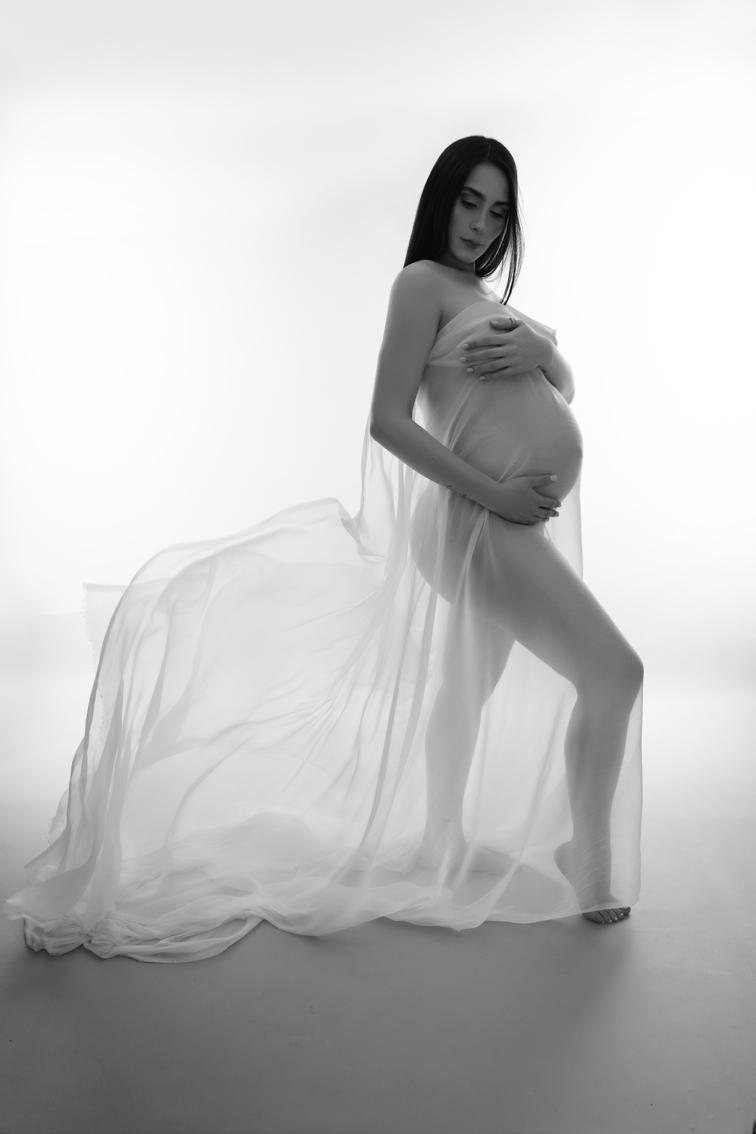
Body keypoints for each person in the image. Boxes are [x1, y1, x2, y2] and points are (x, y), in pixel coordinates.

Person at [4, 135, 643, 963]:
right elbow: (388, 421)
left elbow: (561, 388)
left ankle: (439, 837)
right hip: (480, 521)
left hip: (503, 522)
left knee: (469, 680)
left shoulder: (480, 293)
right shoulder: (421, 284)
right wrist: (497, 497)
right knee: (615, 671)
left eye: (497, 210)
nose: (481, 223)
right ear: (441, 200)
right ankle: (585, 859)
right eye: (468, 201)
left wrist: (547, 353)